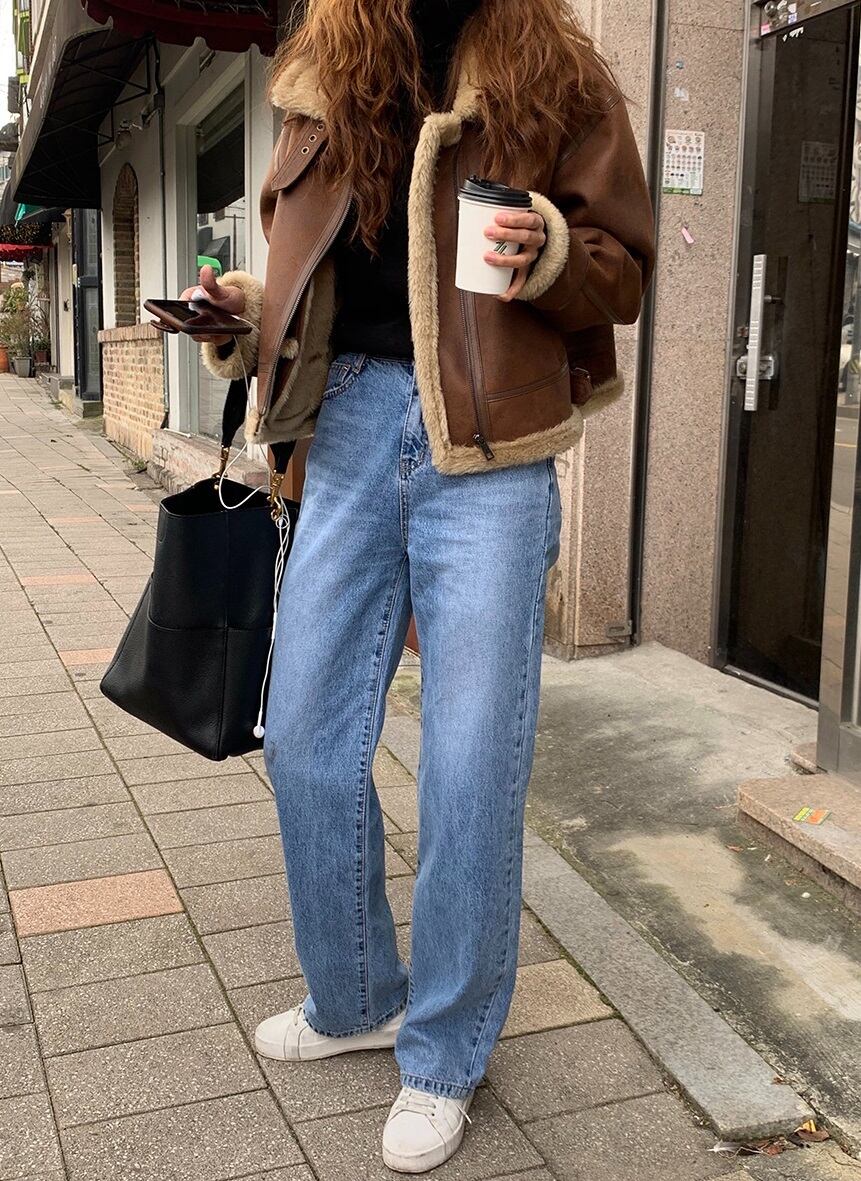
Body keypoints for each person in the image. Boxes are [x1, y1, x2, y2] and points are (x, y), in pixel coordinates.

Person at [181, 0, 654, 1170]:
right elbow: (315, 269)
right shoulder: (326, 65)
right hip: (343, 433)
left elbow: (623, 269)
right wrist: (248, 316)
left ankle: (443, 1052)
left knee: (471, 767)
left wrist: (551, 250)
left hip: (491, 455)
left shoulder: (556, 69)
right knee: (304, 734)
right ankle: (357, 998)